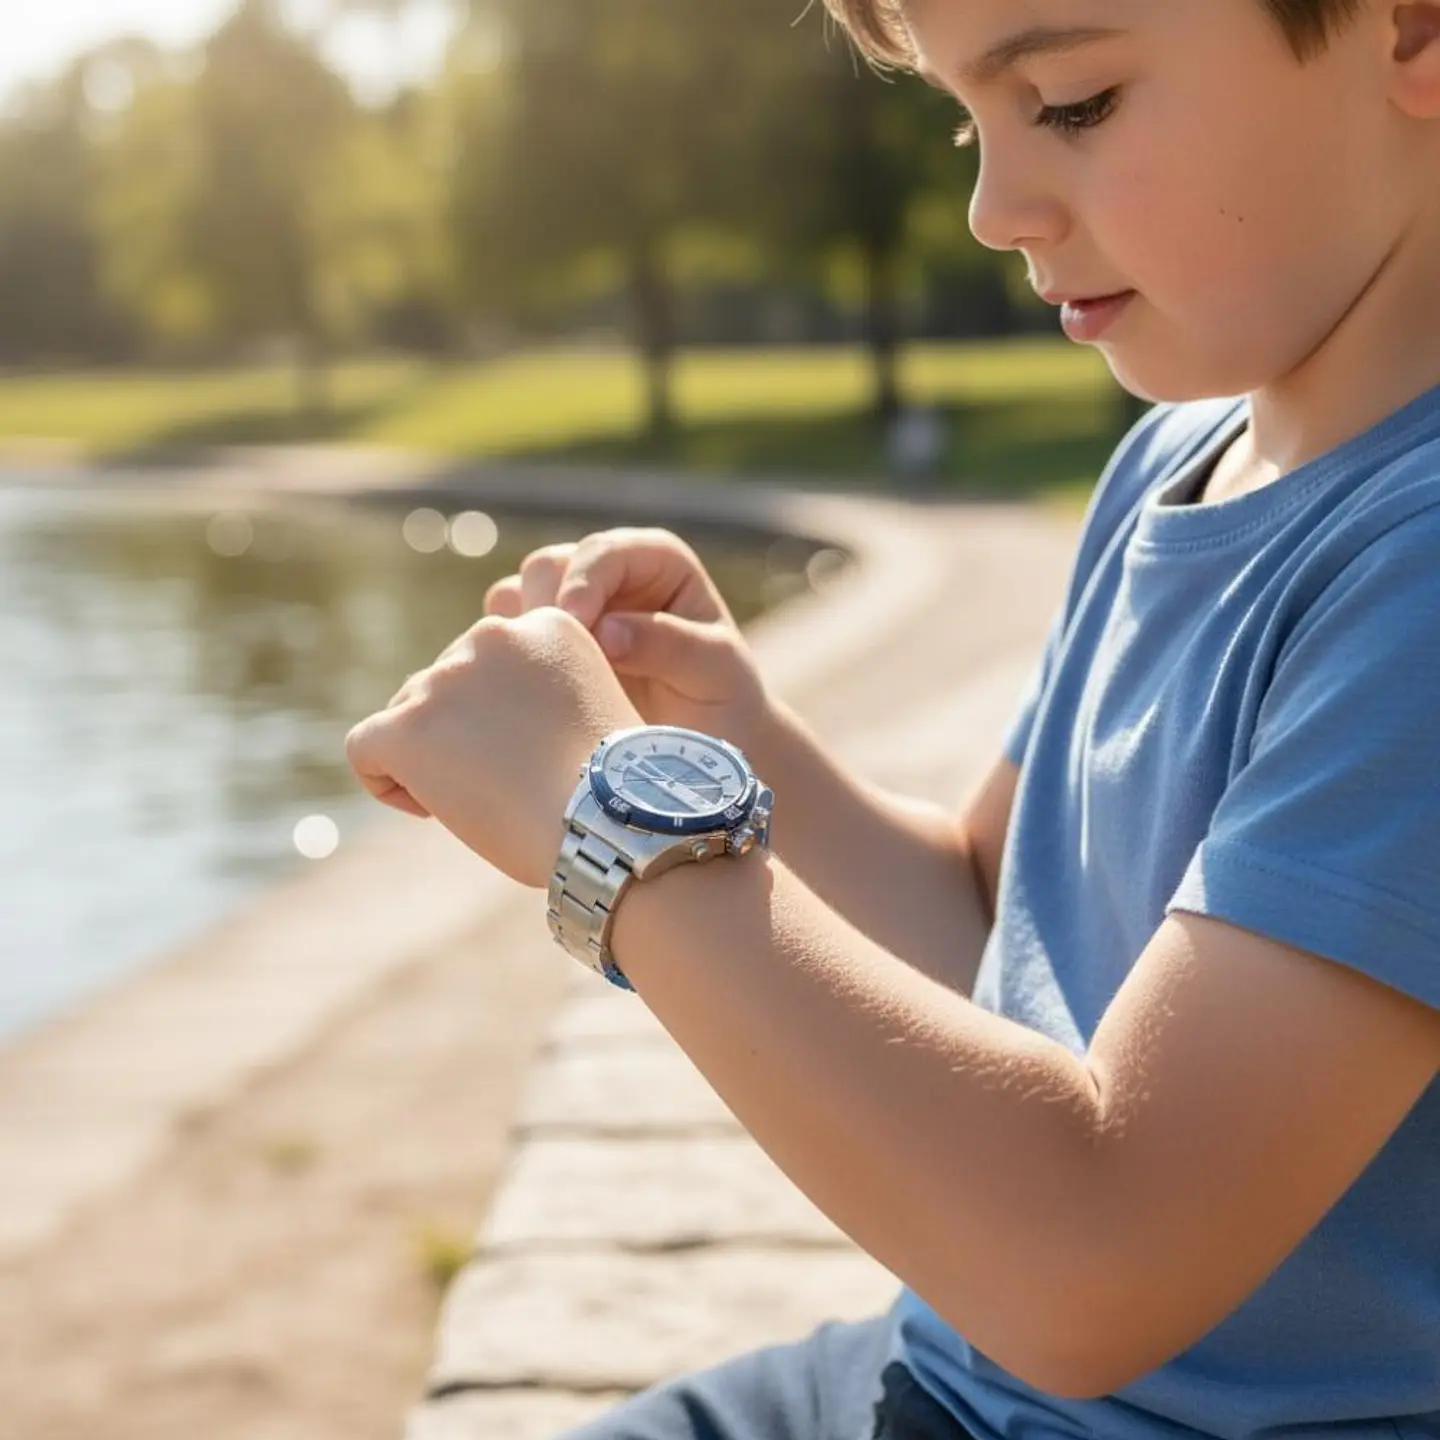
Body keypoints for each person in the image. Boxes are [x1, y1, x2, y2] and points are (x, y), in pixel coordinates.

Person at [344, 0, 1440, 1434]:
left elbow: (1095, 1266)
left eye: (1070, 102)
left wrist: (610, 825)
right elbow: (999, 933)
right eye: (960, 117)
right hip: (940, 1376)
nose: (990, 207)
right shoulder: (1184, 457)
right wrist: (741, 742)